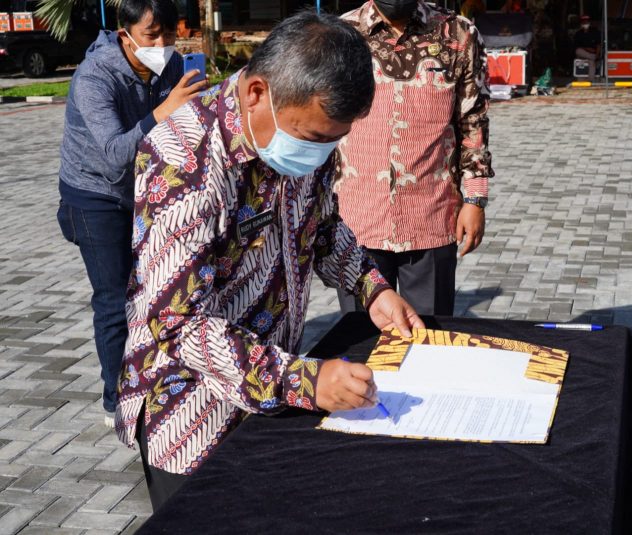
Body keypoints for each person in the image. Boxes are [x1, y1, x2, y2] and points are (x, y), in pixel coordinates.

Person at [116, 11, 424, 510]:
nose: (321, 154)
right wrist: (306, 380)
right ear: (257, 93)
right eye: (314, 139)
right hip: (193, 413)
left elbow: (322, 228)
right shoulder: (184, 159)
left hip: (272, 390)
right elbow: (178, 321)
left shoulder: (298, 134)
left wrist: (373, 288)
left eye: (333, 141)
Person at [56, 0, 206, 428]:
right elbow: (113, 156)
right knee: (113, 297)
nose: (163, 44)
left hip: (146, 188)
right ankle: (115, 398)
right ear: (125, 35)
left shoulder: (172, 65)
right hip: (95, 194)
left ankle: (158, 378)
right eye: (151, 35)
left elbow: (187, 131)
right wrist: (165, 110)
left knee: (158, 288)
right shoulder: (94, 77)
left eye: (169, 34)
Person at [337, 0, 494, 316]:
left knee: (430, 341)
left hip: (431, 217)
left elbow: (473, 119)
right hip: (354, 221)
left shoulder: (458, 34)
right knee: (359, 340)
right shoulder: (341, 35)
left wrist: (475, 199)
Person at [574, 15, 601, 80]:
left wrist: (597, 55)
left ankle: (590, 80)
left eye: (586, 22)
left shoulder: (595, 32)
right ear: (581, 24)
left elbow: (598, 45)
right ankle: (593, 57)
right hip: (584, 53)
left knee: (591, 62)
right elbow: (577, 47)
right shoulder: (578, 34)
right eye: (584, 23)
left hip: (592, 54)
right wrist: (587, 49)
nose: (585, 24)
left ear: (589, 23)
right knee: (578, 51)